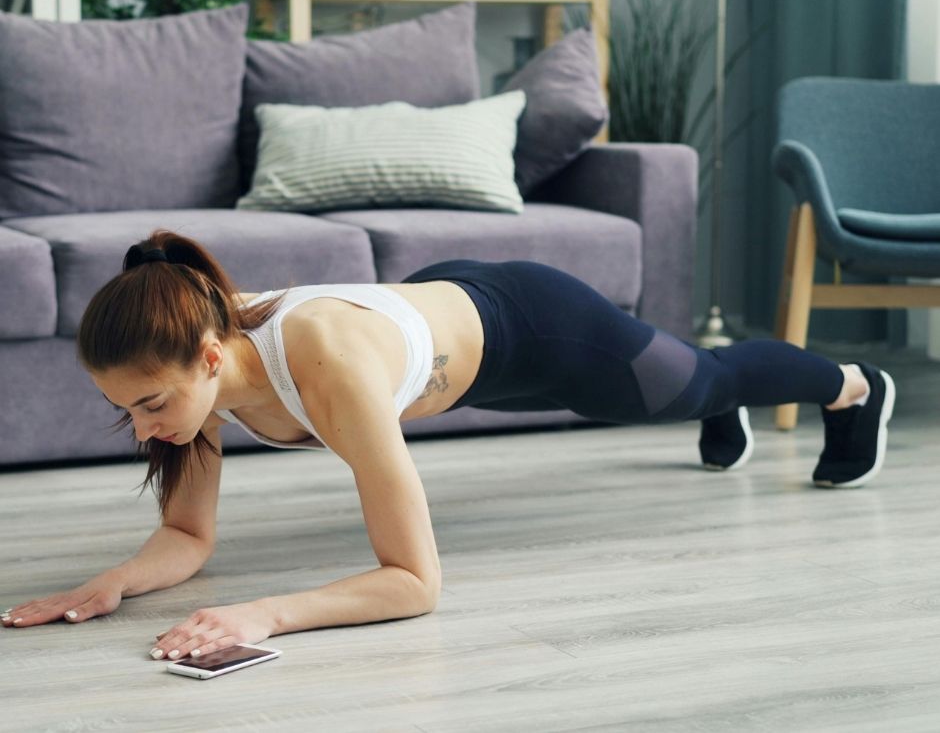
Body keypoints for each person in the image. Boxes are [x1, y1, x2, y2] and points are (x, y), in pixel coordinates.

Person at [0, 230, 895, 660]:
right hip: (440, 333)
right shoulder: (190, 366)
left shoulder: (327, 364)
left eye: (152, 404)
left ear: (209, 356)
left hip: (533, 327)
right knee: (667, 393)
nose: (145, 427)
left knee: (704, 378)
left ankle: (854, 387)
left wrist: (263, 614)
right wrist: (108, 582)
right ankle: (702, 407)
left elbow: (415, 582)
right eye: (127, 411)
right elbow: (190, 541)